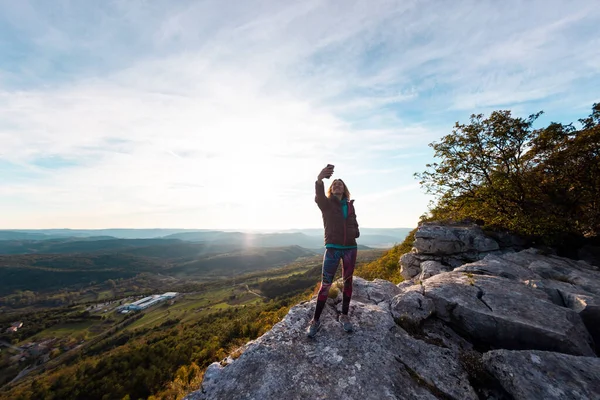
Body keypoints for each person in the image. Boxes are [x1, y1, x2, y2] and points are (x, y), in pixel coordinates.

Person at [307, 164, 360, 338]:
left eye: (340, 184)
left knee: (348, 283)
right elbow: (318, 197)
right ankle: (315, 320)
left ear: (345, 189)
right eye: (334, 184)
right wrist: (319, 179)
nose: (337, 185)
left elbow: (354, 223)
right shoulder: (327, 204)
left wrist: (355, 233)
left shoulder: (350, 205)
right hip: (333, 249)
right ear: (331, 189)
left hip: (350, 249)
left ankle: (344, 315)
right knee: (326, 285)